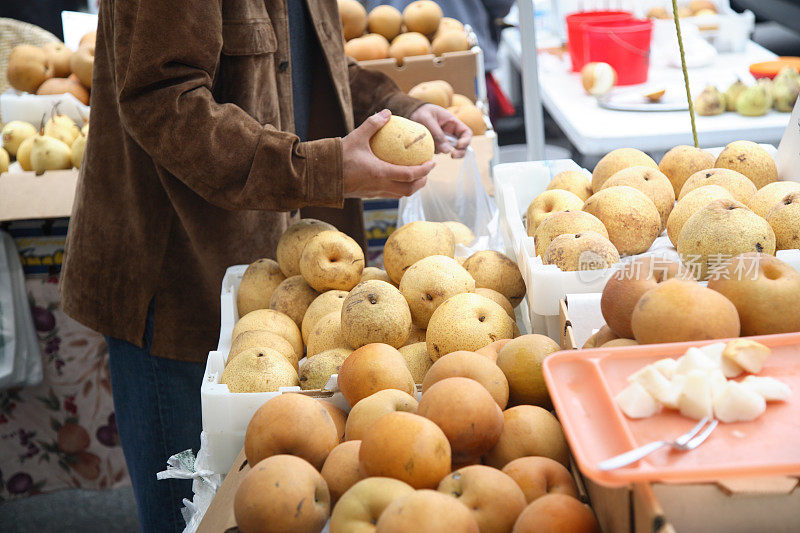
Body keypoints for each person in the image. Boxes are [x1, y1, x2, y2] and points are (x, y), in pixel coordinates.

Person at [59, 0, 471, 531]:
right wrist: (320, 170)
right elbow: (164, 103)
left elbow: (311, 60)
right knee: (194, 512)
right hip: (178, 278)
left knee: (273, 505)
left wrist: (397, 108)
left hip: (273, 273)